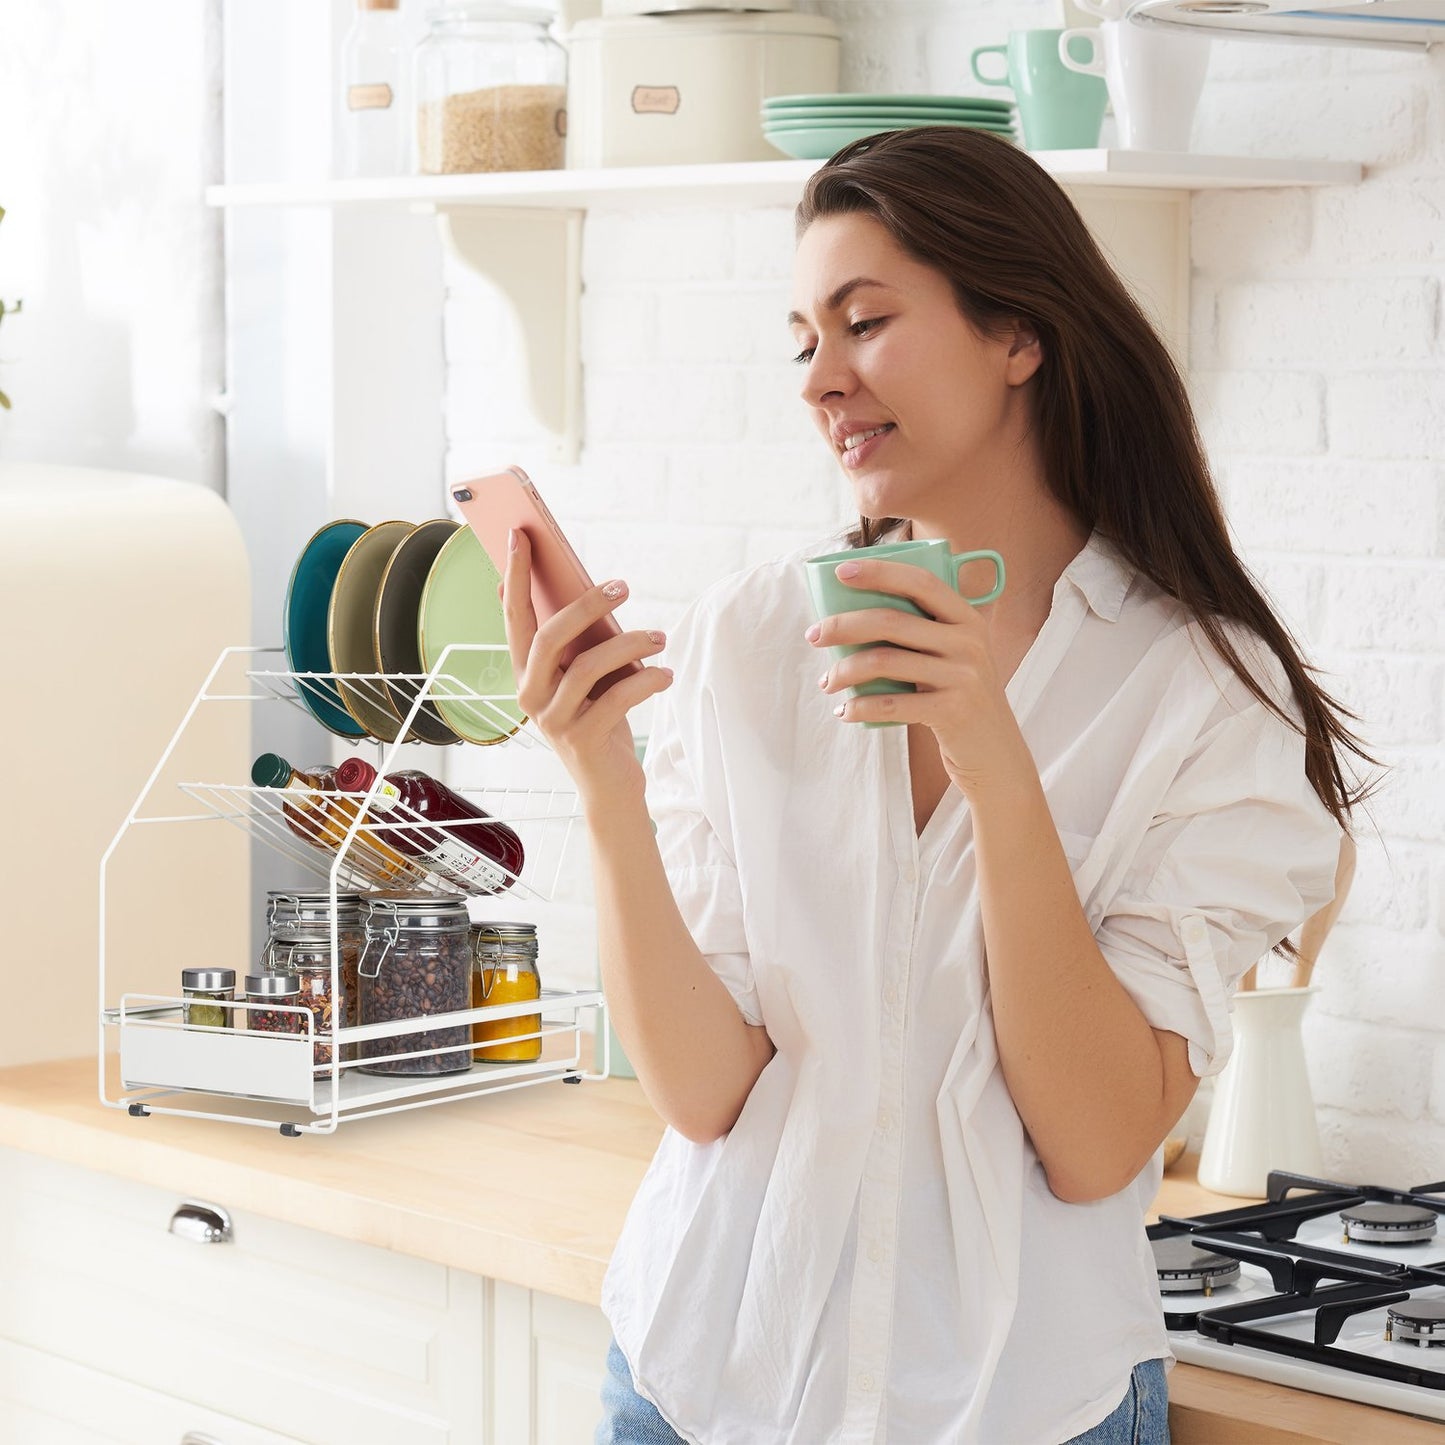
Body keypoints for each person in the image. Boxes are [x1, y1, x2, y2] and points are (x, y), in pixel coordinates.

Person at [500, 127, 1371, 1445]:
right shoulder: (752, 638)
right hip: (700, 1383)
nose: (820, 378)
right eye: (802, 339)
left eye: (864, 322)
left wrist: (990, 754)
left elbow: (1089, 1143)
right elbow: (705, 1093)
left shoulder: (1195, 693)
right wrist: (603, 780)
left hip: (1021, 1405)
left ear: (1016, 331)